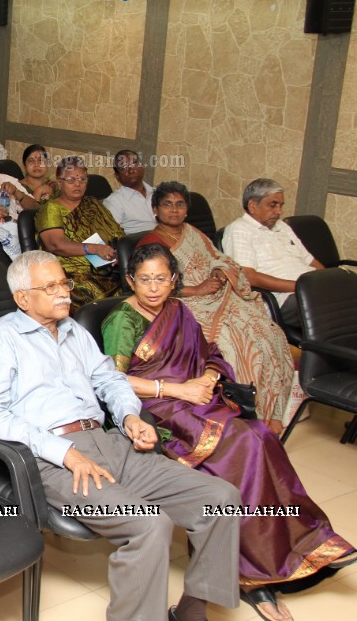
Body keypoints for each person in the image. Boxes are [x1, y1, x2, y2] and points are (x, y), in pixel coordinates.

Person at [0, 250, 242, 621]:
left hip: (111, 442)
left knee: (221, 498)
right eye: (50, 287)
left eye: (64, 283)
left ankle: (193, 609)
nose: (64, 292)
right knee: (150, 523)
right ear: (23, 298)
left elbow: (110, 379)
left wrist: (130, 416)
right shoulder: (0, 338)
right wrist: (63, 452)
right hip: (55, 459)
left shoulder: (73, 331)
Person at [103, 243, 357, 621]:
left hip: (196, 399)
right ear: (130, 281)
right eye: (144, 280)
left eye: (161, 278)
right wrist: (179, 390)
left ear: (174, 281)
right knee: (243, 449)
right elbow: (113, 381)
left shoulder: (178, 310)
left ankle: (299, 543)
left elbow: (211, 352)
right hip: (158, 409)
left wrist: (206, 376)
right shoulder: (122, 320)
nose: (153, 288)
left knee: (263, 438)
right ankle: (251, 574)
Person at [139, 182, 297, 434]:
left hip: (217, 297)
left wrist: (220, 272)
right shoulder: (151, 242)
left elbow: (220, 258)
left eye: (180, 204)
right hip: (181, 301)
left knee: (268, 333)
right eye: (167, 204)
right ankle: (245, 414)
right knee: (233, 343)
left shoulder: (193, 232)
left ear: (187, 210)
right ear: (155, 210)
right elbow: (152, 284)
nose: (174, 210)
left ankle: (272, 411)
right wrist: (198, 289)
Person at [222, 178, 323, 329]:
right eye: (273, 205)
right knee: (338, 311)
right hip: (285, 299)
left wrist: (330, 282)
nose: (279, 211)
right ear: (252, 205)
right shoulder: (239, 229)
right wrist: (299, 287)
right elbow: (248, 276)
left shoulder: (282, 227)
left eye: (281, 205)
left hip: (310, 289)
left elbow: (311, 261)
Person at [36, 155, 124, 309]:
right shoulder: (51, 209)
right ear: (59, 182)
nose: (77, 184)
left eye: (82, 179)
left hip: (109, 267)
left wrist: (118, 253)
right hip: (74, 274)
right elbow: (56, 245)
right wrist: (94, 249)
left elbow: (116, 232)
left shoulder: (93, 203)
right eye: (71, 180)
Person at [103, 149, 156, 235]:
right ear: (117, 177)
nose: (131, 170)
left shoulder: (158, 193)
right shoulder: (114, 202)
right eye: (123, 168)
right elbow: (110, 236)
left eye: (134, 164)